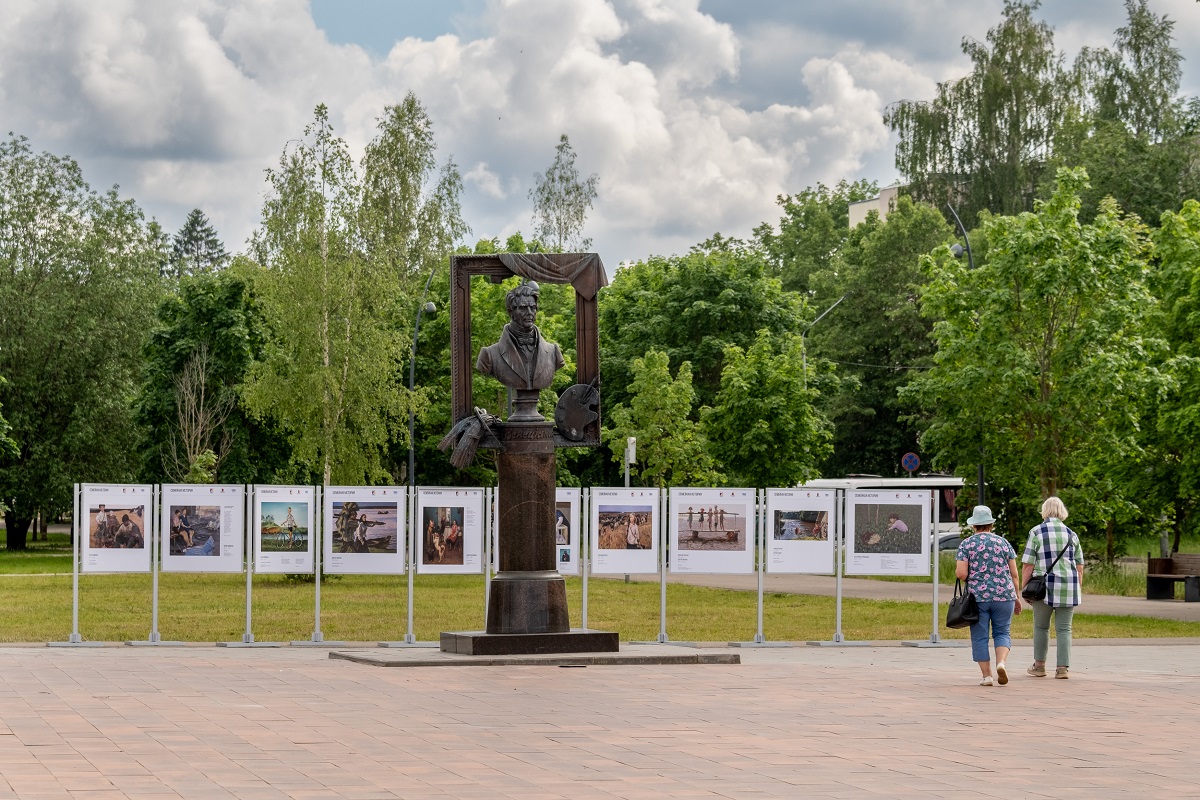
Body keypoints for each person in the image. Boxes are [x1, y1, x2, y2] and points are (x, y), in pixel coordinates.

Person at [955, 505, 1021, 686]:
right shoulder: (1003, 543)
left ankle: (987, 676)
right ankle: (1001, 663)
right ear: (991, 524)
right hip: (1005, 595)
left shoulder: (967, 544)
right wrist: (1016, 596)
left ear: (974, 526)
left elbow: (961, 574)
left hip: (978, 598)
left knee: (980, 636)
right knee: (1002, 632)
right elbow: (1014, 574)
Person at [1022, 496, 1084, 679]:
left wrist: (1024, 588)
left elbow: (1028, 565)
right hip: (1069, 586)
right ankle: (1062, 668)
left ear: (1044, 511)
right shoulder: (1072, 534)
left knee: (1041, 627)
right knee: (1065, 629)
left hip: (1044, 586)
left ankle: (1039, 666)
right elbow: (1079, 566)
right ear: (1062, 511)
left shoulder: (1036, 532)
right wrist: (1077, 588)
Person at [476, 282, 565, 393]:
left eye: (533, 308)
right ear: (510, 312)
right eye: (523, 308)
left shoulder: (553, 352)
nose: (529, 313)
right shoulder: (489, 356)